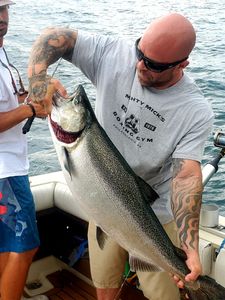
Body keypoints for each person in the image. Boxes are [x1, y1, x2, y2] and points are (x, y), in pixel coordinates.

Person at [26, 13, 214, 300]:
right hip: (104, 207)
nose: (139, 65)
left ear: (182, 65)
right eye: (140, 52)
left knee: (163, 295)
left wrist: (189, 245)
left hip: (154, 214)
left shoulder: (195, 110)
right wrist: (38, 78)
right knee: (104, 283)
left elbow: (186, 175)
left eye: (153, 65)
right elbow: (56, 37)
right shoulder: (114, 53)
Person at [0, 1, 50, 299]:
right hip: (6, 173)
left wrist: (42, 89)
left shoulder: (2, 51)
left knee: (7, 247)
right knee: (25, 244)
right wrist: (30, 108)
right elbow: (19, 109)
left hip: (11, 168)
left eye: (4, 10)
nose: (1, 18)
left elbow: (12, 98)